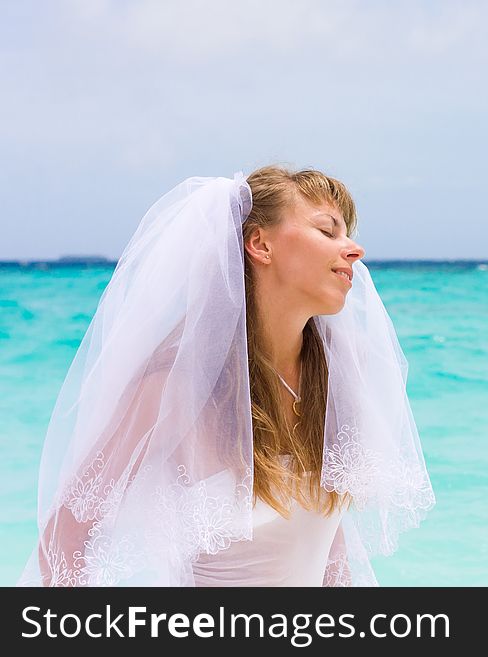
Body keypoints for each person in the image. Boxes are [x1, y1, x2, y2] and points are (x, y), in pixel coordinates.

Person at [16, 165, 435, 586]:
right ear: (260, 244)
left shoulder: (338, 373)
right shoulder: (176, 384)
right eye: (328, 231)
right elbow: (64, 537)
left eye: (347, 234)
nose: (354, 250)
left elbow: (329, 551)